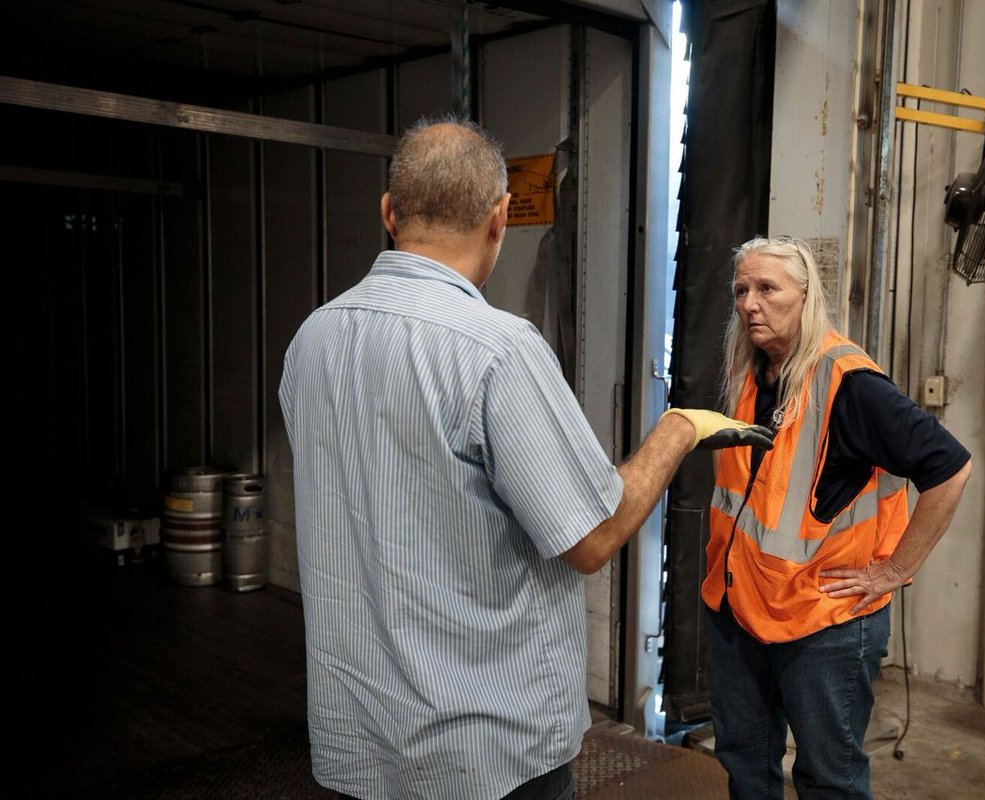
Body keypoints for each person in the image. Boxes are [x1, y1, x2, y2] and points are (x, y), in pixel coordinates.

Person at [278, 116, 773, 800]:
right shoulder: (497, 350)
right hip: (486, 757)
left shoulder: (314, 340)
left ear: (390, 214)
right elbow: (591, 535)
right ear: (500, 217)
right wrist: (679, 430)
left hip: (360, 740)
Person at [703, 235, 972, 799]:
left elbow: (950, 468)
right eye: (741, 290)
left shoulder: (849, 383)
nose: (750, 303)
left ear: (805, 297)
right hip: (740, 608)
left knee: (829, 780)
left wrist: (894, 570)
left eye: (767, 289)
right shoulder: (754, 375)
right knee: (745, 763)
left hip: (824, 620)